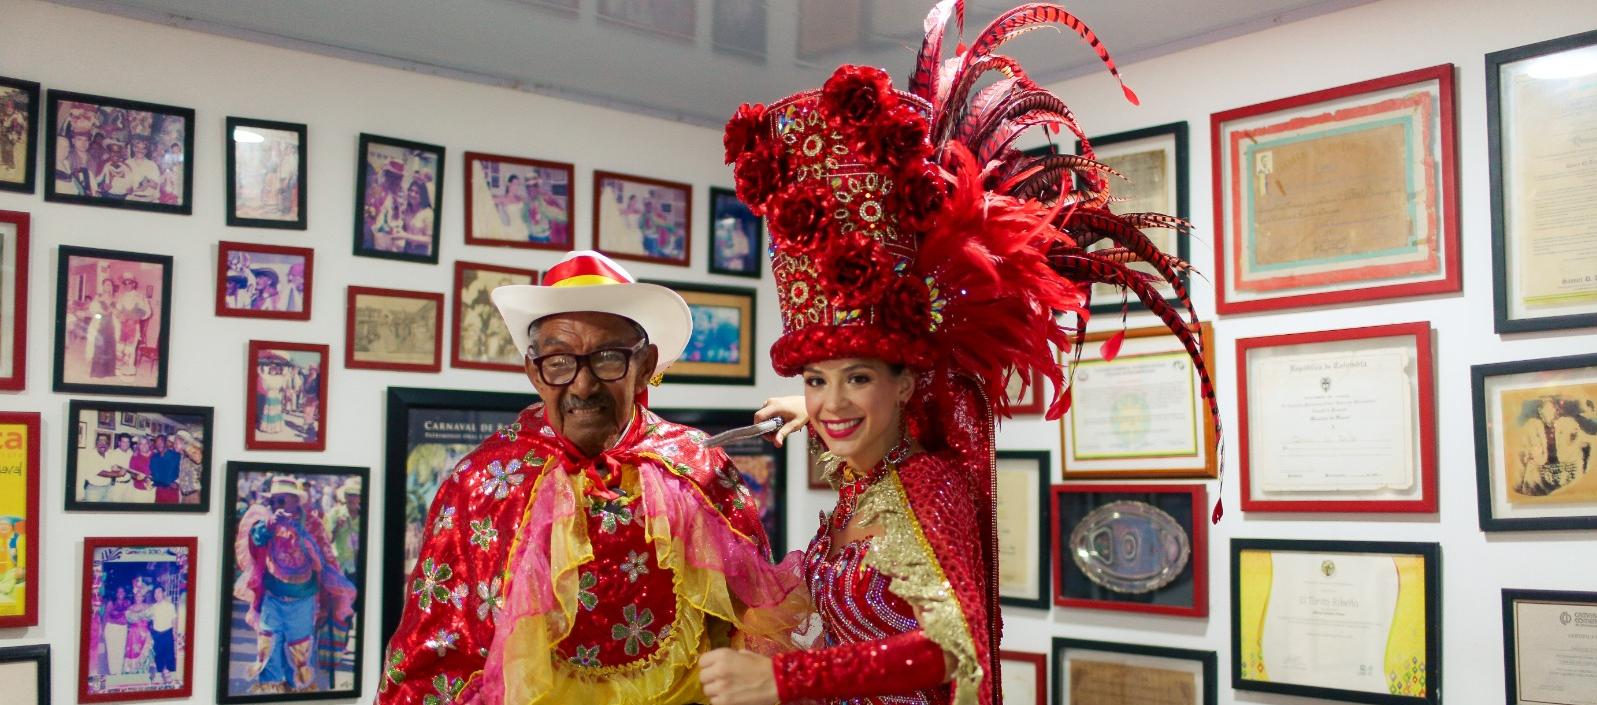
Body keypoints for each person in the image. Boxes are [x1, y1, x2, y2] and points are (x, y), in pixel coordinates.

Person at [698, 4, 1218, 705]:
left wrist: (784, 677)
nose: (831, 399)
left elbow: (954, 645)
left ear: (907, 381)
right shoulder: (860, 483)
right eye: (816, 379)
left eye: (857, 376)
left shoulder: (927, 482)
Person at [377, 250, 804, 705]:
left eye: (606, 358)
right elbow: (433, 663)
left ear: (645, 366)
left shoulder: (700, 467)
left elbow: (752, 635)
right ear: (533, 372)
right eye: (559, 361)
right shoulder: (481, 484)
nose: (583, 385)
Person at [233, 476, 357, 694]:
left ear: (295, 501)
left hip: (303, 601)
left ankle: (295, 694)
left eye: (281, 501)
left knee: (298, 654)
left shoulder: (312, 522)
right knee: (269, 651)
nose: (276, 506)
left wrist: (300, 533)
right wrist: (271, 525)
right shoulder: (268, 520)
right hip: (273, 597)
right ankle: (270, 693)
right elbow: (256, 541)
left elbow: (323, 558)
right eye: (273, 501)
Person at [113, 272, 151, 377]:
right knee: (120, 348)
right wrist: (118, 315)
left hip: (133, 327)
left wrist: (135, 317)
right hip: (122, 327)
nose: (127, 285)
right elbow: (117, 311)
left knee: (130, 349)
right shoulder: (121, 297)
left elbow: (147, 312)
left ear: (133, 284)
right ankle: (120, 368)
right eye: (124, 283)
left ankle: (128, 371)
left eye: (129, 282)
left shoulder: (140, 296)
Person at [324, 477, 361, 578]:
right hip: (338, 565)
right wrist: (337, 527)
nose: (352, 498)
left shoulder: (367, 515)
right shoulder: (334, 513)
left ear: (360, 497)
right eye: (349, 494)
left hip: (357, 566)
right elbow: (328, 540)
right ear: (345, 496)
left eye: (355, 495)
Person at [84, 277, 118, 379]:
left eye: (110, 284)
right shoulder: (98, 297)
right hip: (100, 323)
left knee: (110, 347)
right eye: (106, 284)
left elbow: (116, 312)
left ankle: (108, 372)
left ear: (112, 287)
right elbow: (92, 313)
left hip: (110, 324)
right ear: (103, 286)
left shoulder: (114, 297)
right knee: (100, 347)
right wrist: (101, 315)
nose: (108, 286)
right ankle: (98, 373)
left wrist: (114, 312)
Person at [148, 585, 178, 685]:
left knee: (170, 656)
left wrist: (174, 632)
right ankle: (160, 678)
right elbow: (149, 620)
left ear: (163, 593)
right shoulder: (153, 607)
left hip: (167, 633)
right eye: (155, 593)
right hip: (156, 634)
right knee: (158, 656)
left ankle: (173, 679)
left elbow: (174, 619)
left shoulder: (170, 605)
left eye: (159, 592)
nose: (157, 595)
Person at [103, 585, 133, 677]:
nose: (121, 593)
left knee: (120, 650)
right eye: (119, 592)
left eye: (122, 591)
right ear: (116, 594)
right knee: (112, 650)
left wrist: (128, 625)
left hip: (122, 629)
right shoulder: (111, 603)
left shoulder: (127, 603)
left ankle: (118, 673)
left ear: (124, 593)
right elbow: (106, 618)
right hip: (111, 628)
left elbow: (130, 616)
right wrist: (103, 631)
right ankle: (113, 673)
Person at [149, 434, 181, 504]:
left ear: (166, 443)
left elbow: (182, 471)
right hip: (159, 490)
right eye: (157, 443)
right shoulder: (154, 457)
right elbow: (153, 473)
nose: (158, 445)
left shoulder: (176, 455)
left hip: (172, 492)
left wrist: (177, 482)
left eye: (161, 442)